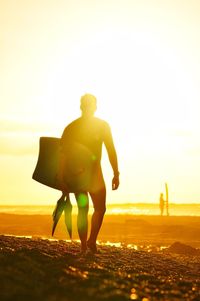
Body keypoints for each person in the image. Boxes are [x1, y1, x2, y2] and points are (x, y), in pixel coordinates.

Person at [57, 94, 120, 253]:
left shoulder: (71, 127)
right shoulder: (102, 125)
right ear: (95, 107)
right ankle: (91, 241)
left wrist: (62, 177)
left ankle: (85, 246)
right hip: (94, 173)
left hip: (76, 174)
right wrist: (116, 173)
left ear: (80, 106)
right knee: (100, 208)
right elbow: (111, 150)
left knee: (83, 209)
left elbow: (62, 155)